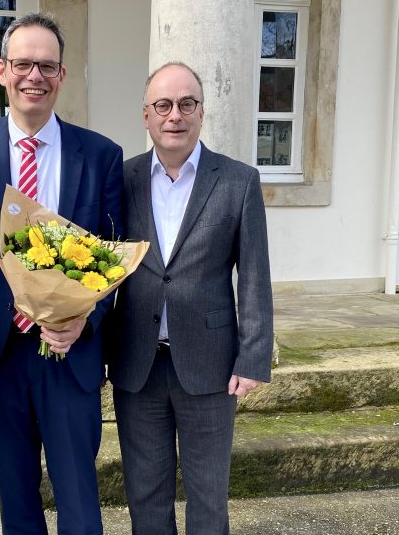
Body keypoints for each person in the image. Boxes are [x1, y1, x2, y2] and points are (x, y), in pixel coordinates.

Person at [0, 12, 123, 535]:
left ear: (62, 75)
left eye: (46, 66)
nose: (33, 77)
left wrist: (85, 318)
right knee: (16, 498)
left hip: (71, 353)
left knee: (80, 500)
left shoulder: (101, 154)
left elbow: (111, 256)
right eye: (23, 64)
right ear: (1, 70)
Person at [109, 62, 273, 535]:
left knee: (208, 497)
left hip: (211, 366)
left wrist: (253, 355)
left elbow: (255, 276)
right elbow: (97, 269)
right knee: (145, 494)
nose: (174, 115)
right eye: (163, 105)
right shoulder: (122, 180)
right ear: (146, 115)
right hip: (137, 365)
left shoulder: (239, 181)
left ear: (202, 112)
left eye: (186, 104)